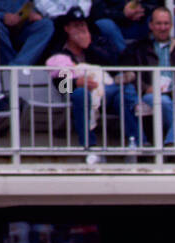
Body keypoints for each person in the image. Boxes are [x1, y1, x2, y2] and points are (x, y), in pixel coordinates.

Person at [45, 9, 135, 159]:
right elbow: (61, 86)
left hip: (106, 92)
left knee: (122, 93)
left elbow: (113, 67)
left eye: (82, 25)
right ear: (66, 29)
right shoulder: (62, 54)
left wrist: (90, 47)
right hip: (81, 96)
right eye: (75, 25)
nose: (80, 29)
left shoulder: (99, 43)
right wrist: (76, 83)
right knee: (81, 93)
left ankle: (136, 143)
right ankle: (89, 146)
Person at [123, 5, 175, 151]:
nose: (163, 27)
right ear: (151, 25)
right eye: (158, 23)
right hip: (150, 93)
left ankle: (173, 142)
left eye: (166, 23)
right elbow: (131, 74)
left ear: (171, 25)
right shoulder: (139, 48)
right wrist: (146, 88)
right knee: (161, 101)